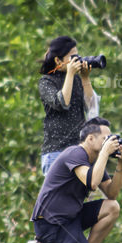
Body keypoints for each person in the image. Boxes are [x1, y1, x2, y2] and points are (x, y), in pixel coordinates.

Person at [26, 117, 122, 243]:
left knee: (112, 207)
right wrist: (104, 154)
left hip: (70, 218)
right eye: (105, 139)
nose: (110, 142)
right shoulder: (74, 153)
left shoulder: (95, 161)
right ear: (90, 138)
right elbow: (92, 183)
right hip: (51, 223)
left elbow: (112, 193)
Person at [38, 36, 100, 176]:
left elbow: (91, 107)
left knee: (77, 196)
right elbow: (62, 103)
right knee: (59, 197)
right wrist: (71, 74)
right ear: (58, 60)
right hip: (56, 151)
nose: (77, 60)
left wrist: (85, 77)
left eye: (77, 56)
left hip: (79, 150)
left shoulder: (77, 80)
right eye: (72, 57)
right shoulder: (46, 81)